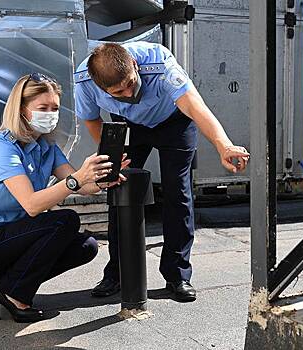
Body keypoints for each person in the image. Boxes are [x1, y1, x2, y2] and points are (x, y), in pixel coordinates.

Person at [74, 42, 250, 302]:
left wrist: (223, 145)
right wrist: (113, 156)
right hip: (129, 124)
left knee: (177, 193)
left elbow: (193, 104)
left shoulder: (160, 64)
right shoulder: (84, 81)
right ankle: (117, 273)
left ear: (134, 65)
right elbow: (91, 119)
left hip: (174, 122)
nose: (128, 93)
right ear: (100, 87)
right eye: (118, 92)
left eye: (130, 84)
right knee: (120, 188)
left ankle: (177, 275)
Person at [0, 73, 130, 323]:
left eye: (55, 108)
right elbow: (33, 204)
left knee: (86, 246)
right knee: (64, 220)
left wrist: (102, 178)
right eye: (42, 108)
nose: (50, 113)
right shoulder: (3, 148)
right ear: (22, 109)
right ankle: (14, 293)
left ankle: (7, 280)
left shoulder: (47, 145)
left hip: (11, 231)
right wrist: (78, 178)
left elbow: (78, 184)